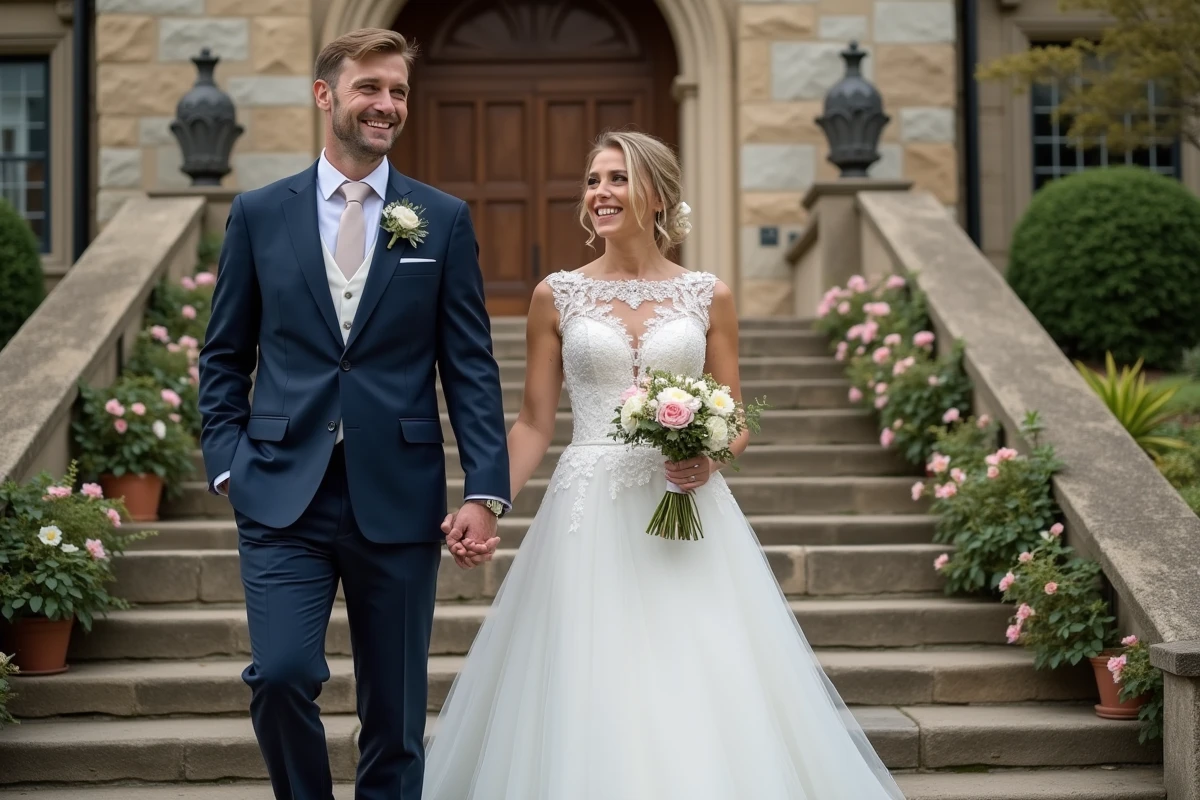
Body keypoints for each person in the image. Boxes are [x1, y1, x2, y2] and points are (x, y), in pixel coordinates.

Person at [428, 129, 908, 799]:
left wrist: (709, 458)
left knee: (700, 663)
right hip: (588, 511)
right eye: (594, 180)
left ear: (656, 193)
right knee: (592, 673)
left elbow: (734, 415)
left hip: (686, 509)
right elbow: (535, 424)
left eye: (618, 178)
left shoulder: (709, 295)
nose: (601, 192)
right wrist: (486, 502)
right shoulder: (555, 296)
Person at [197, 28, 510, 800]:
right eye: (370, 87)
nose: (387, 104)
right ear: (325, 96)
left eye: (398, 91)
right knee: (280, 675)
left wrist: (483, 488)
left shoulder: (441, 218)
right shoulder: (260, 214)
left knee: (396, 717)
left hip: (397, 494)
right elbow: (224, 354)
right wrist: (228, 460)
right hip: (278, 489)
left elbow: (469, 364)